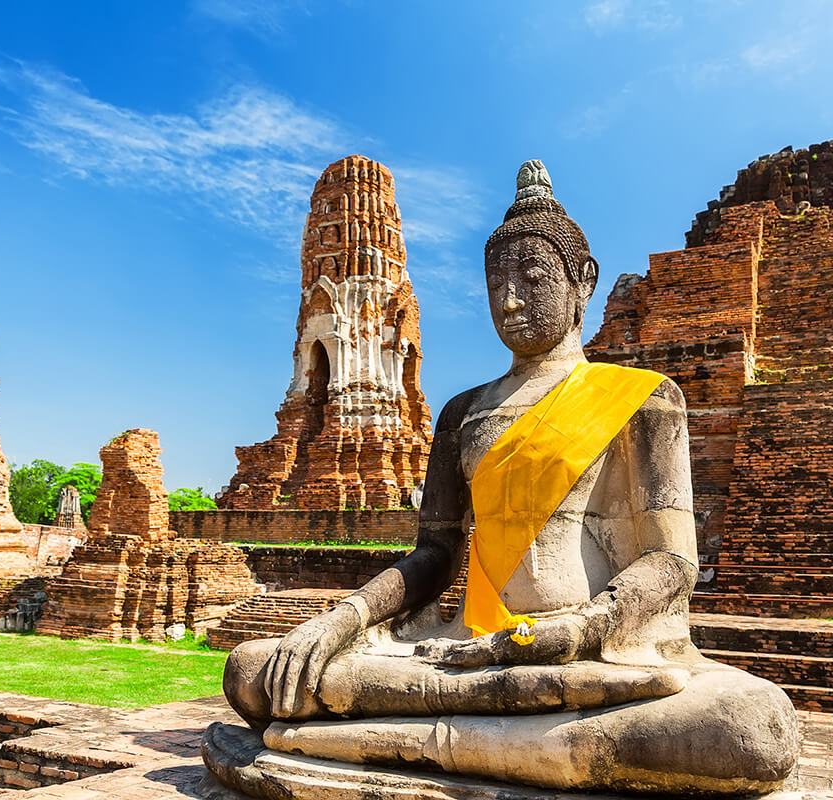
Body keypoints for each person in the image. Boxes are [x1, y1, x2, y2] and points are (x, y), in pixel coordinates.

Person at [217, 160, 797, 796]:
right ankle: (508, 746)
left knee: (747, 726)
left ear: (583, 280)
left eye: (533, 278)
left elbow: (670, 560)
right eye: (497, 283)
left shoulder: (643, 398)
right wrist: (339, 620)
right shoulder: (464, 413)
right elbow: (435, 556)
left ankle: (388, 741)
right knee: (257, 672)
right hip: (468, 651)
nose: (512, 299)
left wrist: (572, 631)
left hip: (591, 652)